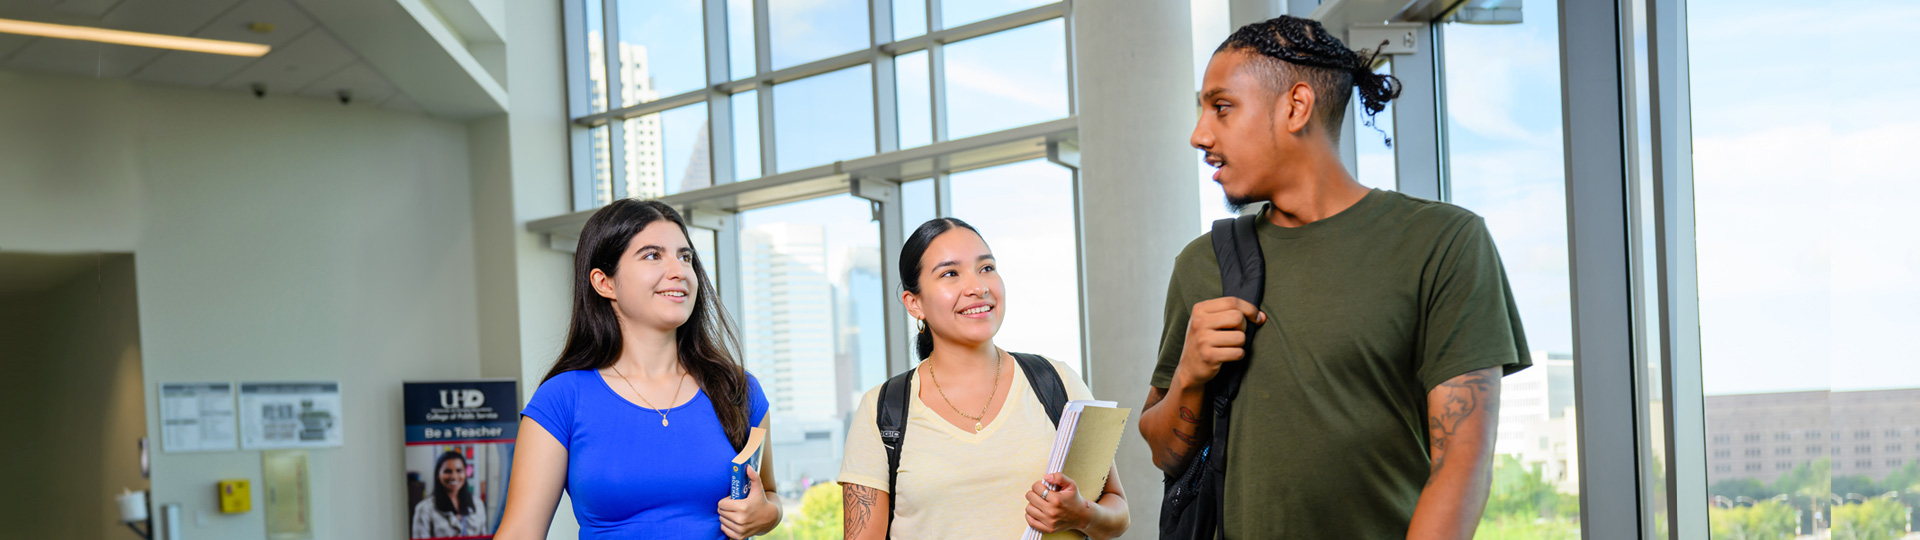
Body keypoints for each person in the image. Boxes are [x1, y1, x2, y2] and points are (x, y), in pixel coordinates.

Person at [1138, 15, 1532, 540]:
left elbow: (1462, 462)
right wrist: (1188, 374)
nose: (1199, 134)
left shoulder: (1443, 242)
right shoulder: (1202, 262)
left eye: (1222, 107)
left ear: (1296, 106)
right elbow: (1166, 455)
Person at [494, 199, 781, 540]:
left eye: (685, 256)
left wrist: (769, 514)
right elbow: (520, 532)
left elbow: (769, 493)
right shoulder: (562, 399)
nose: (678, 271)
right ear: (605, 283)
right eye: (652, 255)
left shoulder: (737, 389)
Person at [838, 218, 1130, 540]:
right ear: (914, 303)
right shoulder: (882, 410)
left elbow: (1117, 510)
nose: (978, 286)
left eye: (987, 267)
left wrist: (1081, 514)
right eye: (950, 273)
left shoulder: (1056, 381)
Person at [412, 450, 488, 538]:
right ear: (438, 474)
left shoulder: (478, 504)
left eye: (459, 470)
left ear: (465, 473)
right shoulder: (424, 509)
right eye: (448, 471)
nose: (454, 476)